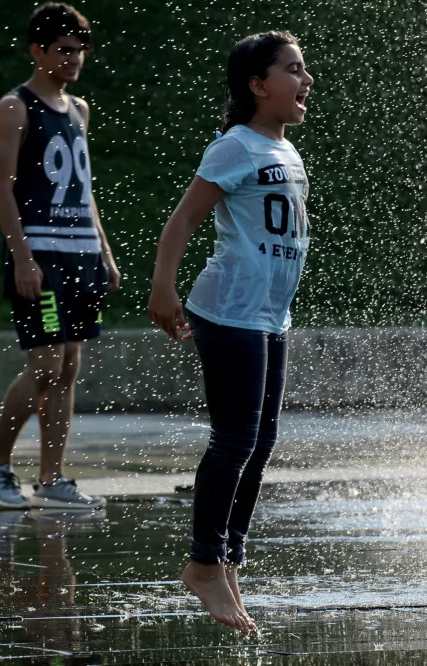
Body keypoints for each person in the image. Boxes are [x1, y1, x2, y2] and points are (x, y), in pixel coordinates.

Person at [148, 31, 313, 634]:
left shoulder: (285, 149)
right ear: (258, 84)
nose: (306, 80)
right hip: (229, 312)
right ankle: (203, 563)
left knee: (260, 442)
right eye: (293, 70)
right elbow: (183, 219)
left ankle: (227, 561)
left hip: (269, 316)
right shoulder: (234, 146)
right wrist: (163, 287)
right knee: (235, 439)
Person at [0, 3, 119, 510]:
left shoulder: (79, 109)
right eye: (64, 50)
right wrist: (23, 258)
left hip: (80, 252)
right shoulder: (15, 107)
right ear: (37, 51)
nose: (74, 59)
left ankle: (52, 478)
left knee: (69, 365)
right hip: (41, 253)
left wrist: (104, 251)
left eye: (80, 51)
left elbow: (84, 188)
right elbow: (1, 188)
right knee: (45, 365)